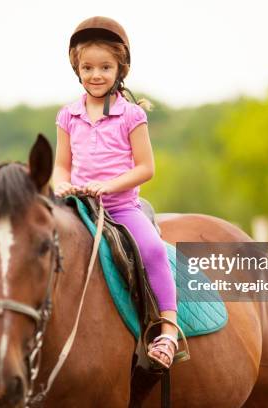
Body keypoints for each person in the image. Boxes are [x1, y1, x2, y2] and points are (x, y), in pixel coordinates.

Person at [53, 16, 179, 369]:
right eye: (88, 67)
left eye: (105, 67)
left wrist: (109, 185)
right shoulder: (67, 116)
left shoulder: (131, 115)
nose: (96, 74)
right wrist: (60, 183)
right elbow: (61, 164)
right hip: (77, 206)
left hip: (120, 208)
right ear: (77, 69)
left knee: (153, 250)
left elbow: (145, 168)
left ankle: (168, 329)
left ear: (119, 69)